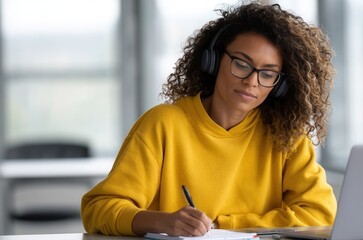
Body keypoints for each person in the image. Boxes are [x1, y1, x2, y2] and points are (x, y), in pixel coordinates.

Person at [81, 2, 337, 237]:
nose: (251, 81)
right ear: (213, 60)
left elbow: (321, 214)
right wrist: (162, 222)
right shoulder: (163, 124)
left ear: (279, 86)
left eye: (267, 74)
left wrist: (223, 225)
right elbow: (99, 209)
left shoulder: (286, 136)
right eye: (241, 64)